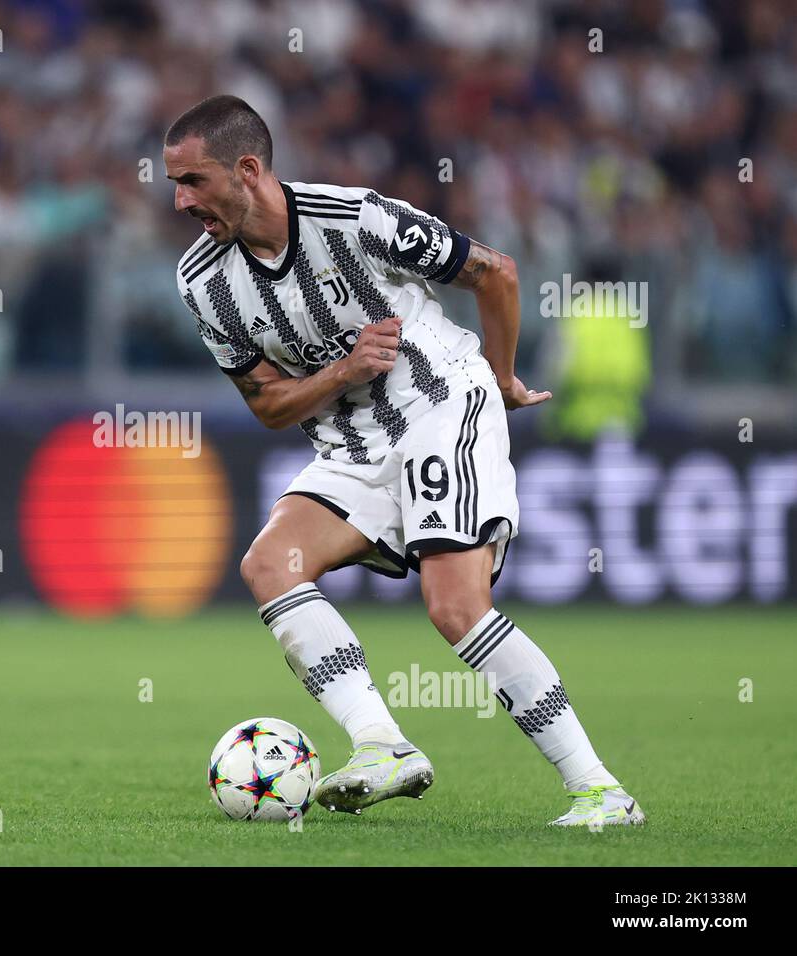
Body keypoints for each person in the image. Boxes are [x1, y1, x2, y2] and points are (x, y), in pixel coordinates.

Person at [166, 94, 642, 827]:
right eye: (175, 182)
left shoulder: (356, 217)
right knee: (270, 564)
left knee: (455, 608)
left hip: (440, 403)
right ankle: (383, 745)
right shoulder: (202, 281)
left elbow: (496, 272)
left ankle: (602, 791)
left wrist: (504, 375)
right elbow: (267, 406)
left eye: (193, 181)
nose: (179, 200)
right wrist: (341, 374)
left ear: (249, 170)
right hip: (350, 444)